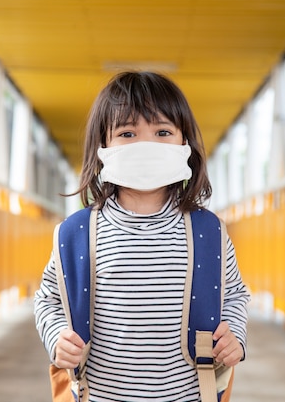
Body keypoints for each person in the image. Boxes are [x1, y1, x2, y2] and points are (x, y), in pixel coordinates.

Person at [34, 71, 250, 402]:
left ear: (185, 144)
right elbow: (48, 299)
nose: (146, 145)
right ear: (103, 147)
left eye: (162, 132)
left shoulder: (209, 232)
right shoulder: (76, 234)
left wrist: (235, 335)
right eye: (128, 133)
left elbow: (234, 294)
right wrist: (57, 338)